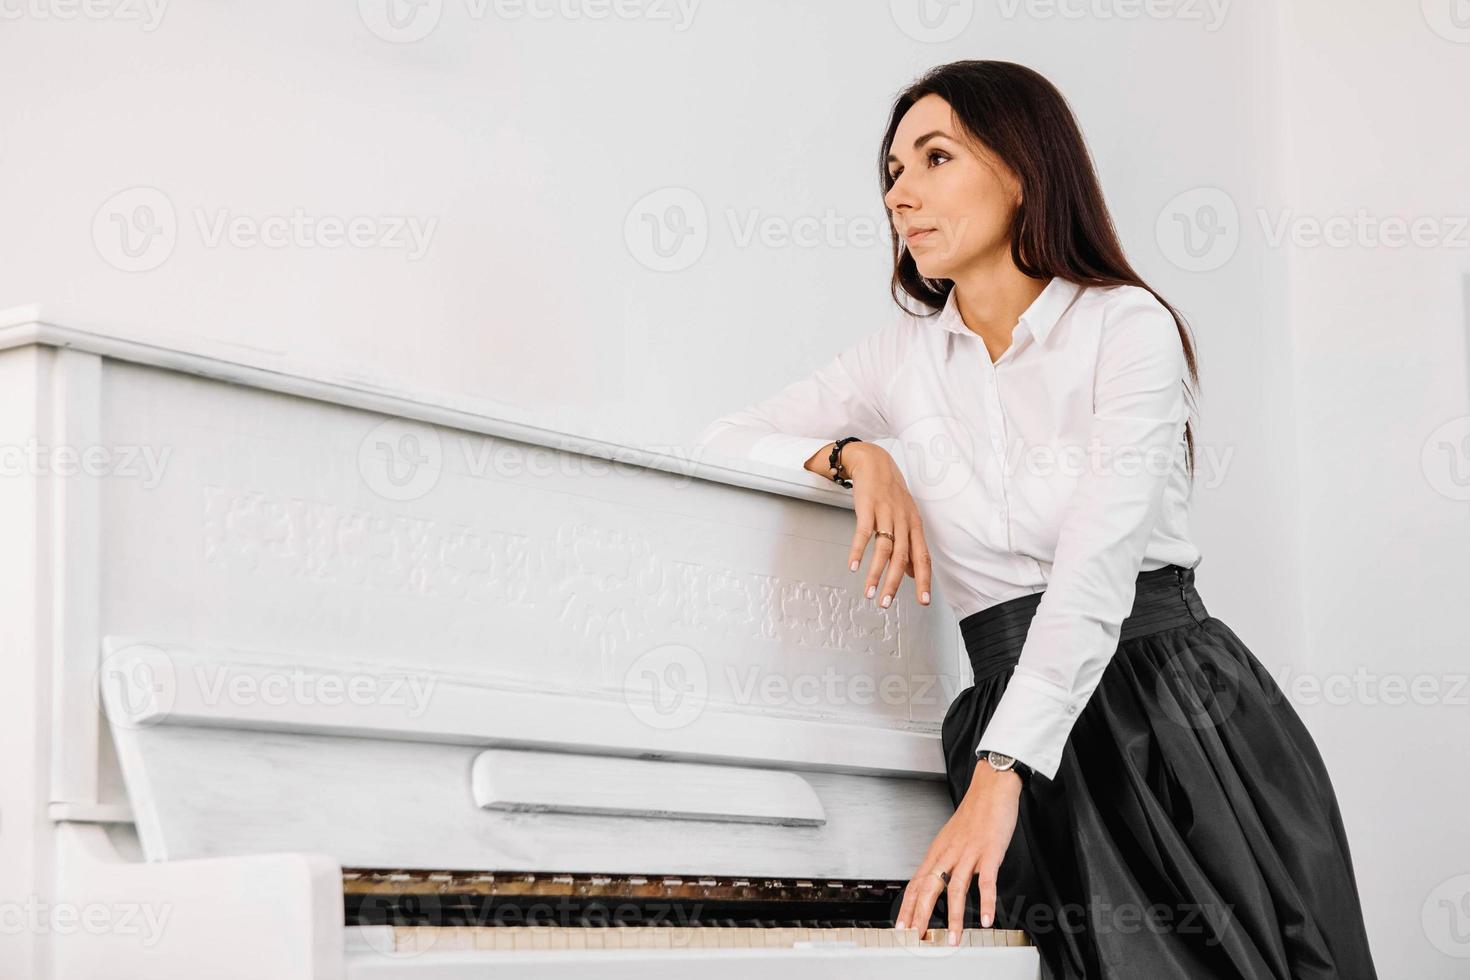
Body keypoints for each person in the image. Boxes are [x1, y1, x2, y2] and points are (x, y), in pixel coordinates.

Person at [693, 60, 1379, 979]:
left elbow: (1097, 568)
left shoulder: (1125, 326)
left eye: (935, 158)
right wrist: (855, 456)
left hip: (1171, 718)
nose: (901, 193)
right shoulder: (897, 360)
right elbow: (720, 440)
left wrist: (1000, 772)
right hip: (1005, 717)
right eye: (892, 172)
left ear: (1022, 169)